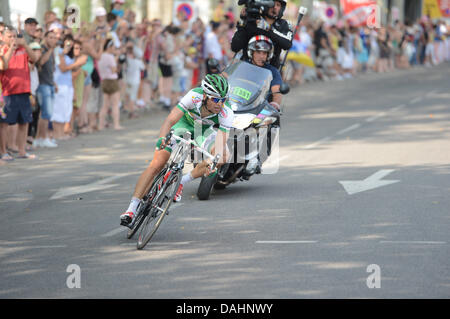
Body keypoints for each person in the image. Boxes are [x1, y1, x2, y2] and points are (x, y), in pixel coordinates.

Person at [120, 74, 234, 227]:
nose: (219, 104)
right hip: (183, 124)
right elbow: (171, 119)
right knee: (158, 162)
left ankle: (182, 181)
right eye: (215, 99)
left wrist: (213, 162)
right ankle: (132, 208)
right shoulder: (194, 96)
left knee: (223, 155)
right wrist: (163, 138)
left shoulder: (226, 113)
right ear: (205, 95)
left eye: (223, 100)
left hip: (203, 130)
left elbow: (220, 144)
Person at [0, 25, 38, 160]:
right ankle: (4, 151)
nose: (13, 39)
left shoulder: (23, 50)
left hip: (24, 90)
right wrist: (11, 47)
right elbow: (4, 66)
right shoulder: (2, 50)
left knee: (24, 121)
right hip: (8, 92)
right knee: (5, 123)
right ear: (3, 38)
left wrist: (25, 45)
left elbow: (35, 58)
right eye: (9, 36)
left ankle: (22, 151)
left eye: (14, 36)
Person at [231, 0, 293, 68]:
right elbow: (235, 47)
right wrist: (243, 22)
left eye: (278, 5)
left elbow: (287, 44)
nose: (274, 7)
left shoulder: (284, 24)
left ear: (282, 8)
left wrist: (265, 30)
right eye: (272, 4)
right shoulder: (252, 20)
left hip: (271, 72)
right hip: (246, 69)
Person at [34, 30, 58, 148]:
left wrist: (54, 83)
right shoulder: (43, 48)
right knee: (45, 113)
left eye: (55, 38)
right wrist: (51, 50)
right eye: (50, 37)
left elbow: (50, 70)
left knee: (45, 114)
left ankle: (40, 138)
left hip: (49, 83)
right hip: (42, 85)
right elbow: (41, 62)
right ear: (46, 38)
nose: (53, 40)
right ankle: (43, 138)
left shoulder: (51, 52)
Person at [246, 35, 283, 110]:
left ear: (268, 55)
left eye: (264, 53)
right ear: (251, 53)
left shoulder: (273, 71)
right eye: (258, 52)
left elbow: (276, 91)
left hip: (262, 108)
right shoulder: (243, 67)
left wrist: (275, 104)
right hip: (240, 104)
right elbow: (229, 78)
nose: (261, 56)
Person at [97, 39, 123, 131]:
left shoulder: (101, 56)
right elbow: (113, 69)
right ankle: (116, 124)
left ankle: (100, 125)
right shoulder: (110, 57)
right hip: (112, 80)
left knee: (105, 105)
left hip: (104, 80)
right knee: (115, 104)